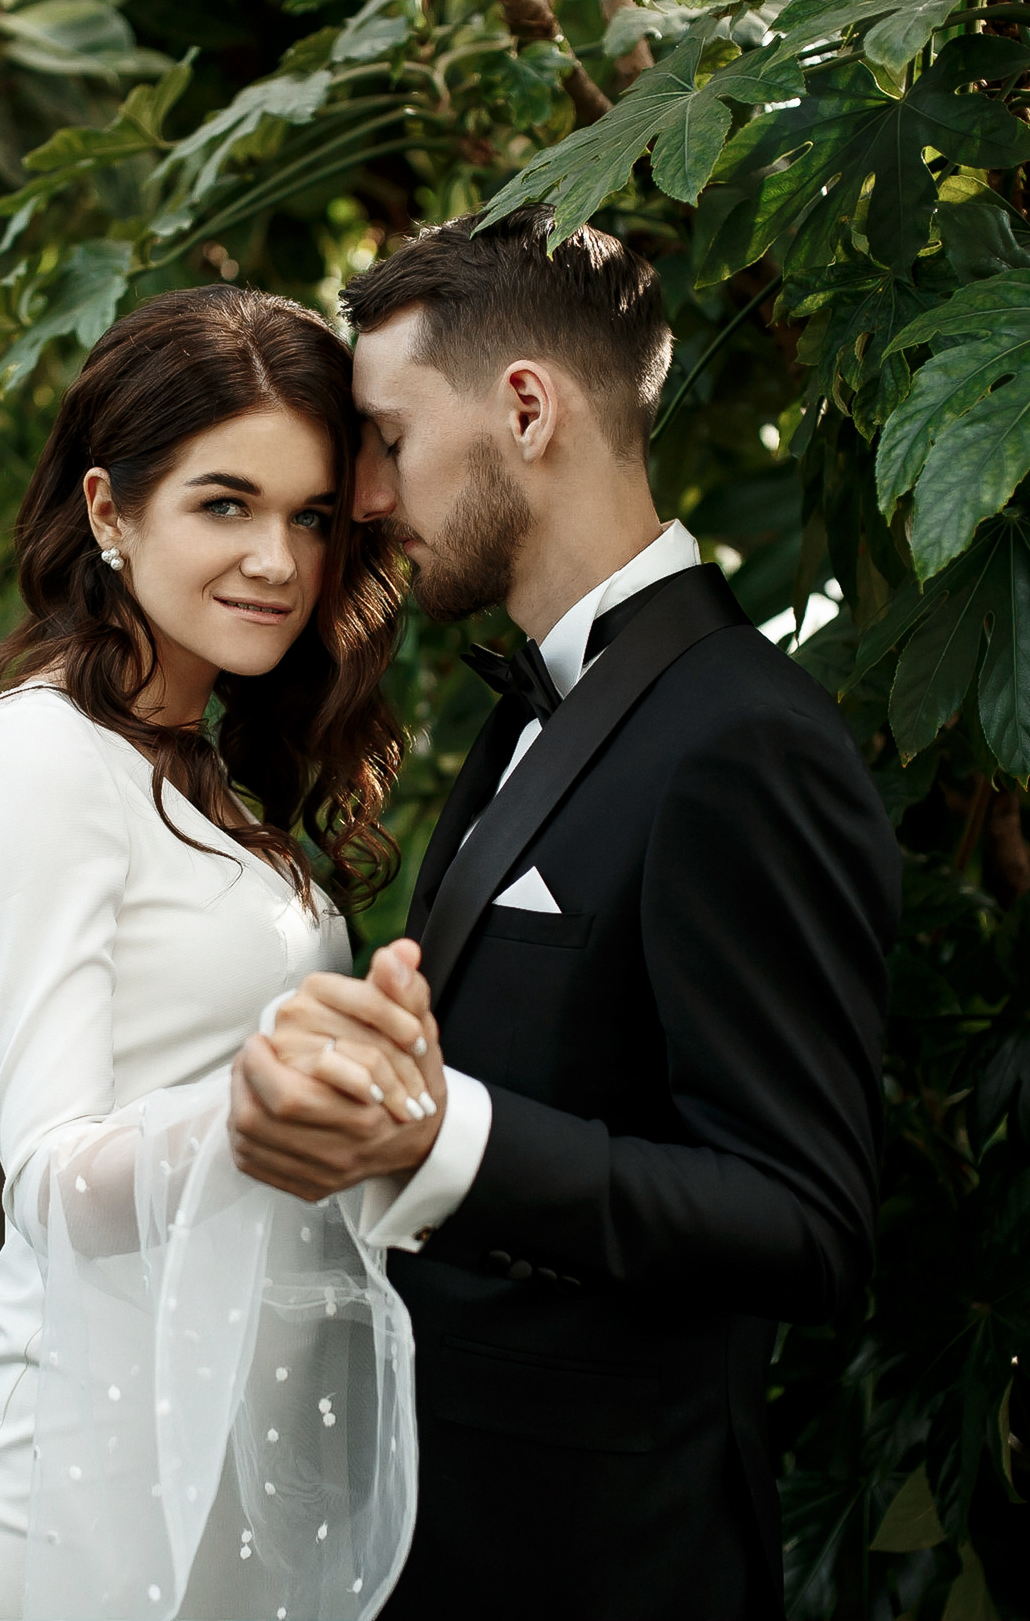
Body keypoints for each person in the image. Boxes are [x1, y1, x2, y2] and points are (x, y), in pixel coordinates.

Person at [228, 208, 902, 1620]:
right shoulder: (549, 697)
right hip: (469, 1520)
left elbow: (805, 1221)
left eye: (390, 439)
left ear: (526, 408)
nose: (362, 496)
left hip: (620, 1550)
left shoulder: (742, 740)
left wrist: (446, 1138)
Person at [0, 285, 445, 1620]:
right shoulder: (33, 762)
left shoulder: (218, 764)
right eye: (226, 504)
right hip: (74, 1486)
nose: (279, 559)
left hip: (231, 1461)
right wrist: (274, 1100)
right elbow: (52, 1175)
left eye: (310, 517)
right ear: (109, 510)